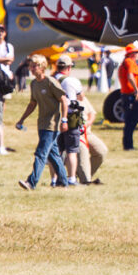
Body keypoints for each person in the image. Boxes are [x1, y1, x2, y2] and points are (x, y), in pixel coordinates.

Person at [16, 54, 71, 190]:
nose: (31, 69)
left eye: (34, 66)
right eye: (30, 66)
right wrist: (22, 119)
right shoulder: (34, 84)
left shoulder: (51, 82)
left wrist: (64, 120)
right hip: (41, 124)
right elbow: (32, 103)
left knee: (41, 153)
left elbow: (64, 100)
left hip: (52, 124)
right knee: (53, 155)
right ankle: (64, 182)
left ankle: (31, 182)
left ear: (42, 67)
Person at [53, 54, 84, 186]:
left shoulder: (51, 80)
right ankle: (71, 178)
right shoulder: (72, 81)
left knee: (55, 151)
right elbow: (81, 97)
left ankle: (54, 179)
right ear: (69, 67)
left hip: (53, 117)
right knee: (72, 150)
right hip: (70, 118)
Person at [118, 41, 138, 150]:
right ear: (132, 53)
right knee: (130, 121)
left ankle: (128, 144)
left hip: (129, 94)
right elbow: (130, 76)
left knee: (132, 120)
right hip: (130, 95)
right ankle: (128, 145)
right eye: (137, 52)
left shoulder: (129, 62)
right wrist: (136, 89)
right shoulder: (129, 62)